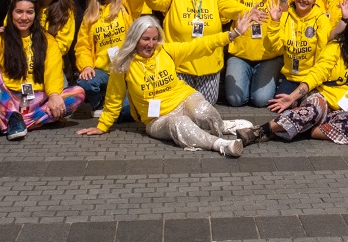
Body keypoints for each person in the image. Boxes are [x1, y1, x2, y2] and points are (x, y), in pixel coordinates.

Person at [76, 12, 258, 157]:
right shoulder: (123, 64)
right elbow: (114, 98)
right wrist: (102, 126)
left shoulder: (166, 51)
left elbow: (200, 45)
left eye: (154, 39)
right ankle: (220, 144)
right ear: (134, 39)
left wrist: (233, 34)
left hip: (183, 99)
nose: (151, 44)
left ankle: (221, 126)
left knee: (202, 110)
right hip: (157, 119)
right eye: (145, 39)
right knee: (179, 123)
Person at [257, 15, 348, 145]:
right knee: (312, 111)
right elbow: (317, 73)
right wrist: (292, 97)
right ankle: (260, 130)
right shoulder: (336, 47)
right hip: (323, 98)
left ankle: (301, 131)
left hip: (344, 108)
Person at [134, 0, 247, 103]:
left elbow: (233, 8)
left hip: (209, 66)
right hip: (179, 65)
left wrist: (251, 13)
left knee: (204, 110)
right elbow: (155, 1)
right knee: (182, 108)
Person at [0, 0, 85, 139]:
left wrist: (53, 95)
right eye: (19, 12)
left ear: (35, 15)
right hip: (6, 99)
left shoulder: (47, 41)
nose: (24, 17)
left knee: (78, 93)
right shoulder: (1, 37)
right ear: (11, 13)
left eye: (29, 12)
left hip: (36, 101)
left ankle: (10, 123)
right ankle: (12, 116)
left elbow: (53, 71)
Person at [222, 0, 286, 107]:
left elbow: (285, 16)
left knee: (261, 100)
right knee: (235, 100)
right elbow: (223, 19)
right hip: (240, 54)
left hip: (268, 55)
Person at [74, 0, 134, 112]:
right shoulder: (90, 15)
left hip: (127, 70)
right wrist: (86, 66)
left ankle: (119, 101)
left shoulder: (128, 4)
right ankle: (100, 102)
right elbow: (83, 46)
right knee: (85, 82)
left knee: (125, 112)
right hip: (104, 71)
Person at [32, 0, 78, 65]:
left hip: (51, 62)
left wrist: (40, 54)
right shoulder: (27, 2)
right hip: (22, 57)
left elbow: (63, 45)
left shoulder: (66, 10)